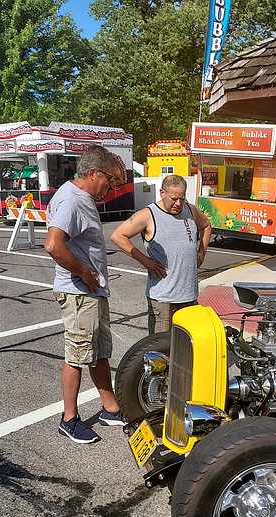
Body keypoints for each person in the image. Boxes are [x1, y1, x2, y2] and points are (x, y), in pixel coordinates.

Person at [44, 145, 126, 444]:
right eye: (108, 179)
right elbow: (53, 245)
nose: (110, 186)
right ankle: (69, 419)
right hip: (80, 294)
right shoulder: (72, 200)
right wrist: (83, 272)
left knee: (99, 353)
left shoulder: (80, 197)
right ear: (92, 173)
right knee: (77, 355)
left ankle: (110, 409)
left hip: (92, 293)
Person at [110, 174, 211, 335]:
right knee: (160, 350)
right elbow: (118, 236)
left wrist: (202, 251)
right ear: (162, 193)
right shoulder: (148, 214)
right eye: (173, 198)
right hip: (163, 300)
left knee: (186, 346)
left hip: (189, 296)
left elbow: (206, 225)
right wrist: (145, 261)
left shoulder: (190, 210)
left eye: (182, 198)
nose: (178, 203)